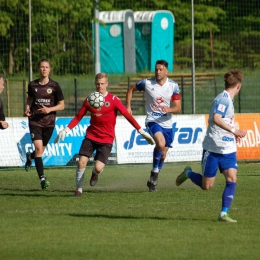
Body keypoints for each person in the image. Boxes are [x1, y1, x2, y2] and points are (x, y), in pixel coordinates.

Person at [55, 72, 154, 197]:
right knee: (81, 162)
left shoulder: (113, 100)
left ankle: (95, 173)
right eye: (97, 84)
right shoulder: (90, 99)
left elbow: (127, 116)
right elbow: (78, 117)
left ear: (107, 84)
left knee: (98, 168)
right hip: (91, 136)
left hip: (107, 139)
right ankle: (78, 189)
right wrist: (66, 129)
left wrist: (141, 131)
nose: (99, 86)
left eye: (102, 84)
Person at [176, 69, 247, 223]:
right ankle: (188, 173)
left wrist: (233, 134)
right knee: (206, 186)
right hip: (213, 149)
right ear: (239, 86)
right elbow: (216, 118)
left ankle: (223, 213)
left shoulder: (228, 100)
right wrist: (235, 130)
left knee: (232, 177)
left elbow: (225, 121)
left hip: (227, 149)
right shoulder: (224, 99)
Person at [126, 60, 181, 192]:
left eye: (161, 69)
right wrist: (128, 106)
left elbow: (178, 107)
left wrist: (170, 110)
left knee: (163, 154)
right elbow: (131, 89)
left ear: (166, 71)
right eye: (156, 69)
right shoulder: (147, 83)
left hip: (167, 123)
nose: (158, 72)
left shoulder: (173, 86)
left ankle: (152, 180)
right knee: (160, 144)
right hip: (152, 120)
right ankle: (155, 173)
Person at [24, 59, 65, 190]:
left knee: (40, 151)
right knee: (38, 149)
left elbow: (62, 105)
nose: (44, 69)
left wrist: (49, 109)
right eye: (42, 67)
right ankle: (42, 179)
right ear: (38, 69)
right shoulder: (32, 85)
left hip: (49, 123)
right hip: (35, 121)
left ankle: (30, 157)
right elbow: (30, 98)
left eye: (46, 67)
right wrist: (27, 108)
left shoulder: (55, 86)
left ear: (49, 69)